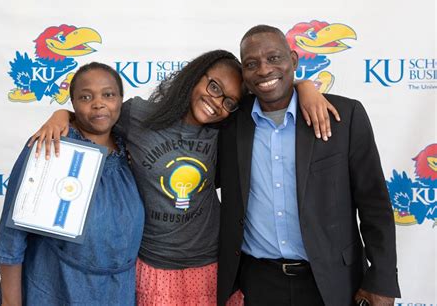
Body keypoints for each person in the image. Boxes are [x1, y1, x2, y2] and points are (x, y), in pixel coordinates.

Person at [29, 50, 337, 305]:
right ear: (195, 76)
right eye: (214, 87)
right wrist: (61, 115)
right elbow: (98, 114)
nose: (217, 102)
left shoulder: (227, 132)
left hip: (211, 265)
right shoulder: (138, 116)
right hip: (153, 266)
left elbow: (270, 93)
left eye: (228, 101)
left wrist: (304, 87)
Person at [216, 25, 401, 306]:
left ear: (293, 59)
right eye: (251, 64)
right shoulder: (229, 124)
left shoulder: (344, 117)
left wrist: (382, 280)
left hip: (332, 282)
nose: (264, 70)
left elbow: (374, 205)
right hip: (256, 282)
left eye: (274, 58)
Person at [0, 62, 145, 306]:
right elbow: (12, 236)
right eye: (85, 96)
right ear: (73, 103)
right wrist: (11, 302)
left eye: (108, 94)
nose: (98, 103)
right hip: (54, 288)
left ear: (120, 100)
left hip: (116, 293)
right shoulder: (52, 144)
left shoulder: (131, 149)